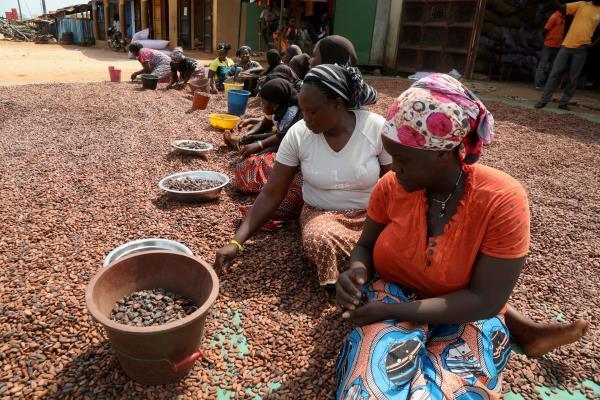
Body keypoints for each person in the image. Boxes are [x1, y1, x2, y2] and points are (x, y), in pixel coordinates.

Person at [215, 64, 389, 286]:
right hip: (323, 215)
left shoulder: (375, 128)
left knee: (398, 242)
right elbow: (271, 193)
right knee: (319, 239)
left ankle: (365, 265)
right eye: (302, 110)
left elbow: (395, 185)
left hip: (371, 216)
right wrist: (236, 242)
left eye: (312, 111)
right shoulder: (299, 134)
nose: (305, 118)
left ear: (337, 104)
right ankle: (359, 273)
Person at [232, 79, 305, 224]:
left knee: (247, 165)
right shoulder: (280, 111)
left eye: (263, 103)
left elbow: (283, 138)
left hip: (291, 163)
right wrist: (254, 139)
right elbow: (277, 135)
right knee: (246, 163)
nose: (260, 106)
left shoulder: (293, 115)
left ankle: (266, 192)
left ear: (275, 104)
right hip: (286, 157)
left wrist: (259, 145)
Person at [535, 1, 600, 110]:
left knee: (573, 77)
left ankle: (564, 103)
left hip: (583, 48)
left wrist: (593, 45)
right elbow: (563, 8)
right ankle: (543, 100)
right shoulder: (582, 5)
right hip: (566, 45)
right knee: (554, 73)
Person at [534, 10, 565, 89]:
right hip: (549, 45)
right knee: (542, 65)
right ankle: (537, 84)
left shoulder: (563, 18)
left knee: (553, 66)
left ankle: (549, 85)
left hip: (557, 46)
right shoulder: (554, 16)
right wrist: (548, 39)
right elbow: (545, 30)